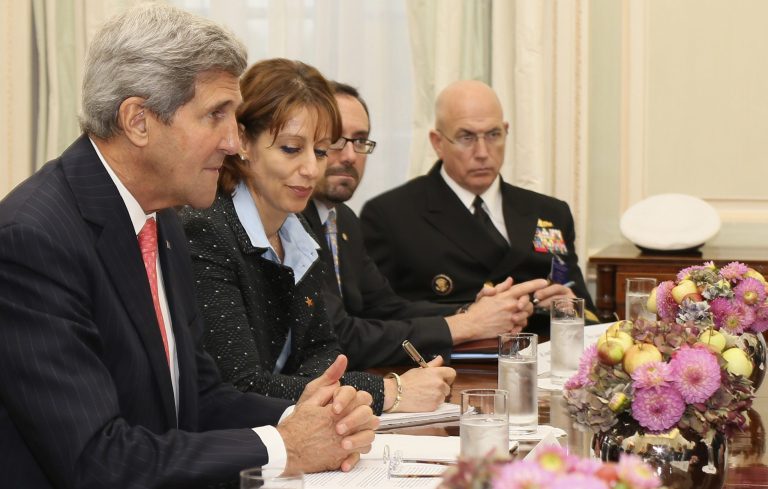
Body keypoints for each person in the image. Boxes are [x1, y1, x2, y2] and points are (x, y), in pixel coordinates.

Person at [0, 6, 376, 487]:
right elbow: (97, 459)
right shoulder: (34, 241)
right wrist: (287, 446)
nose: (233, 141)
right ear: (138, 121)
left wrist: (305, 418)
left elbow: (197, 396)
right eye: (216, 115)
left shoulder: (163, 218)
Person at [180, 59, 455, 416]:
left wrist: (327, 398)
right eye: (292, 149)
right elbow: (240, 386)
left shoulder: (299, 231)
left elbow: (323, 352)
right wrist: (390, 392)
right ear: (243, 140)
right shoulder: (206, 229)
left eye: (321, 150)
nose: (312, 169)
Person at [303, 82, 546, 369]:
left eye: (359, 141)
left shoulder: (343, 219)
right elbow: (338, 338)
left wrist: (472, 310)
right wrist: (467, 325)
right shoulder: (291, 221)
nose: (350, 156)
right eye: (334, 140)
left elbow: (385, 308)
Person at [359, 80, 597, 336]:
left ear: (506, 131)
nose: (483, 152)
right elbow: (379, 315)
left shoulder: (550, 212)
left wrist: (569, 306)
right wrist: (469, 314)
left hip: (541, 359)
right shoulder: (391, 215)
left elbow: (591, 318)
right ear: (437, 142)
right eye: (466, 137)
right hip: (452, 363)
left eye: (494, 135)